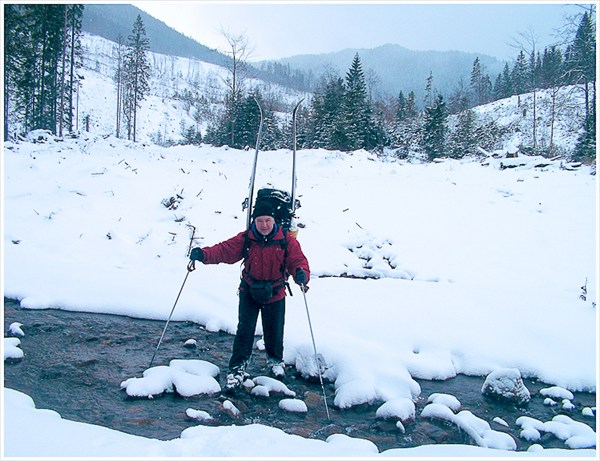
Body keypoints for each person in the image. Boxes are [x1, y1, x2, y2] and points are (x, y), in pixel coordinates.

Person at [189, 202, 310, 392]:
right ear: (254, 221)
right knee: (245, 330)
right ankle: (237, 368)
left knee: (275, 330)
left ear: (274, 221)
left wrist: (301, 274)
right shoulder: (246, 239)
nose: (264, 225)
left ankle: (275, 361)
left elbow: (297, 261)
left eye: (267, 220)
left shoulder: (286, 240)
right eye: (260, 221)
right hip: (249, 291)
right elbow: (224, 250)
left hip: (276, 292)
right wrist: (203, 255)